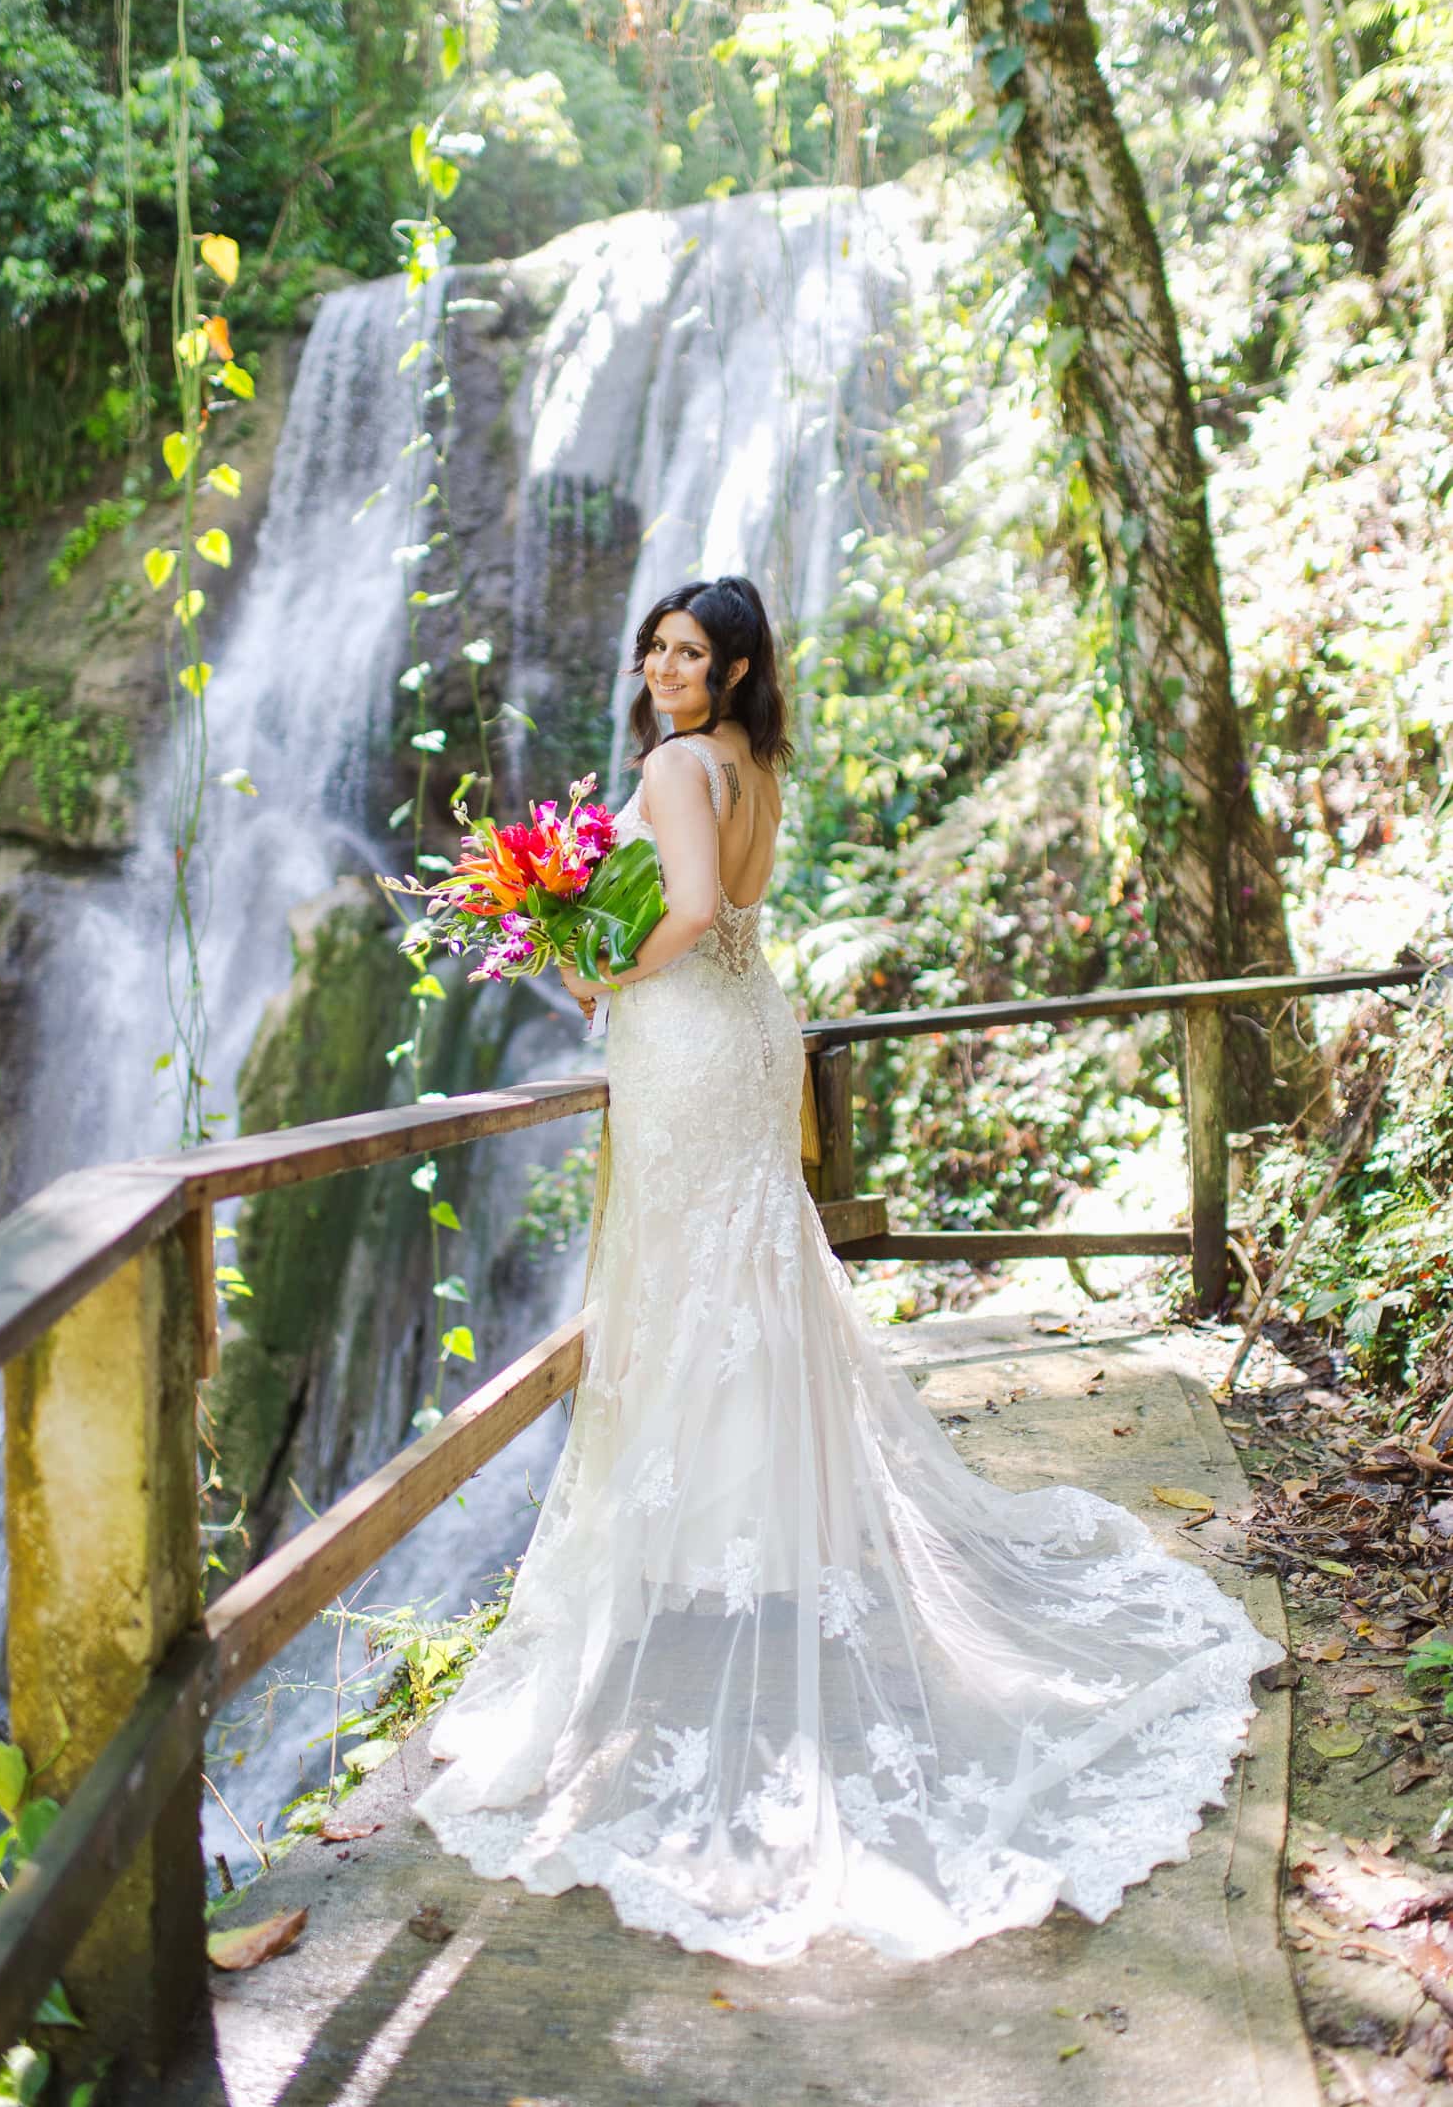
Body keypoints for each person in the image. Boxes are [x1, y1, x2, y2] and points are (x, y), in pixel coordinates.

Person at [413, 574, 1282, 1964]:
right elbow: (729, 900)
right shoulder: (751, 762)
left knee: (694, 1273)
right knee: (746, 1273)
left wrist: (599, 966)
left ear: (737, 664)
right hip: (755, 1031)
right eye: (654, 645)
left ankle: (709, 1542)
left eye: (690, 651)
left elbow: (691, 907)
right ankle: (762, 1526)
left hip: (692, 1033)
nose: (662, 665)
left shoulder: (672, 766)